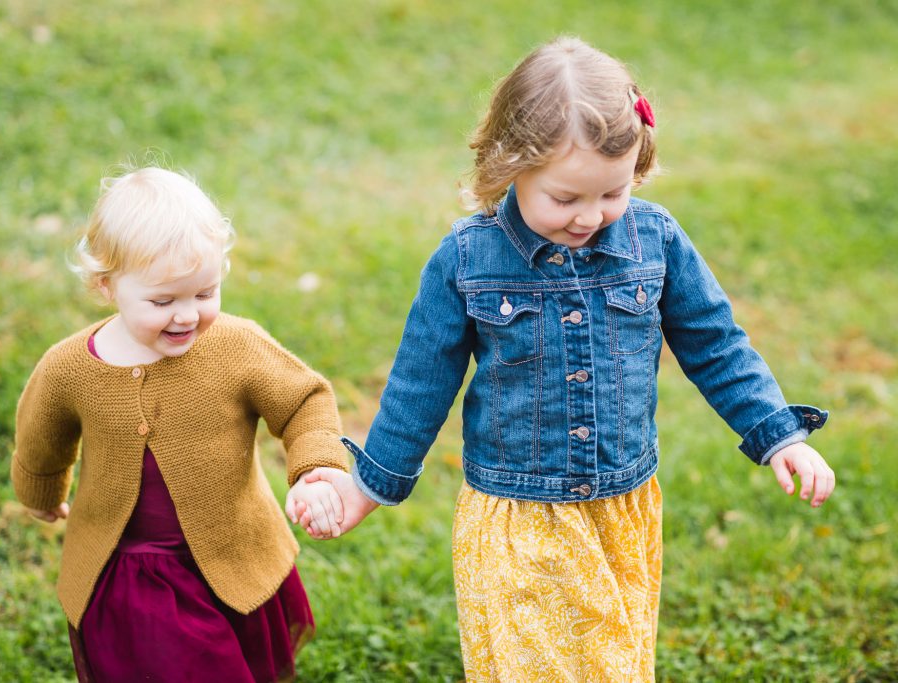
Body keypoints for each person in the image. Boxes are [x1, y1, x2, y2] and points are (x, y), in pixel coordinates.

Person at [295, 36, 835, 681]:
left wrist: (778, 435)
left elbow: (716, 344)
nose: (590, 218)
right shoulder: (468, 260)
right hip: (519, 517)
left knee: (613, 664)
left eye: (612, 194)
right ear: (507, 168)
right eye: (565, 199)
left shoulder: (654, 240)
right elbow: (420, 383)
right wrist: (370, 488)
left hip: (621, 511)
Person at [11, 166, 348, 682]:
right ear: (107, 286)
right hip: (130, 571)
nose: (187, 315)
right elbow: (42, 440)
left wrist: (315, 468)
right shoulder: (69, 368)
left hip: (232, 551)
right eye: (162, 301)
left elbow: (303, 400)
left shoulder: (236, 347)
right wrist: (40, 492)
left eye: (205, 293)